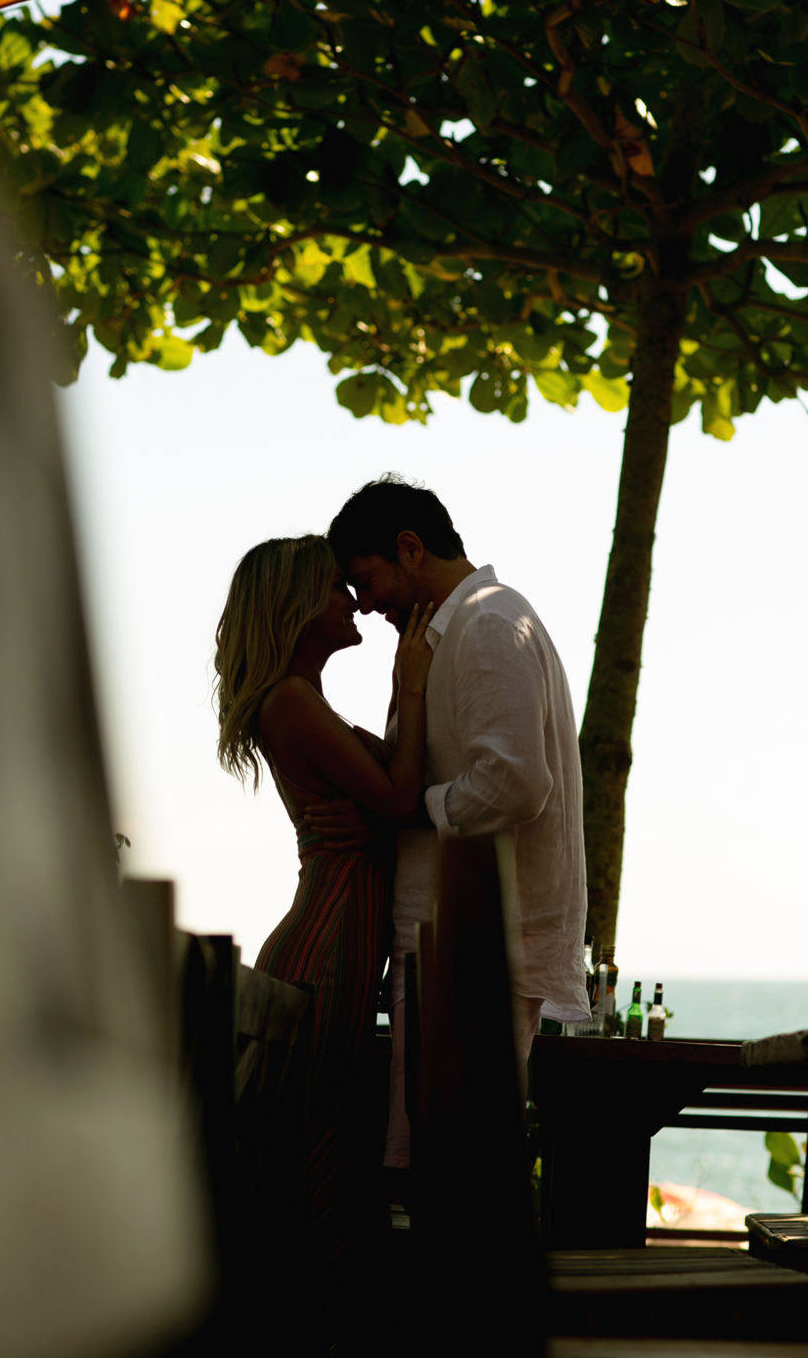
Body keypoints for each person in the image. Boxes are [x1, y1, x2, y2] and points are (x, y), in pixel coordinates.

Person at [326, 475, 590, 1170]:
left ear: (409, 549)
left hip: (477, 947)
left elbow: (513, 782)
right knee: (427, 1158)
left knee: (448, 1167)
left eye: (366, 578)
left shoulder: (490, 624)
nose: (363, 601)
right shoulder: (448, 632)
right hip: (451, 941)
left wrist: (407, 804)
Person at [213, 534, 432, 1350]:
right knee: (318, 1150)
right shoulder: (292, 703)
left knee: (323, 1144)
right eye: (337, 591)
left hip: (331, 931)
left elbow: (397, 792)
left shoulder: (303, 703)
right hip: (328, 942)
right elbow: (406, 794)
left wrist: (373, 814)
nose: (355, 604)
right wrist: (407, 683)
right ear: (300, 606)